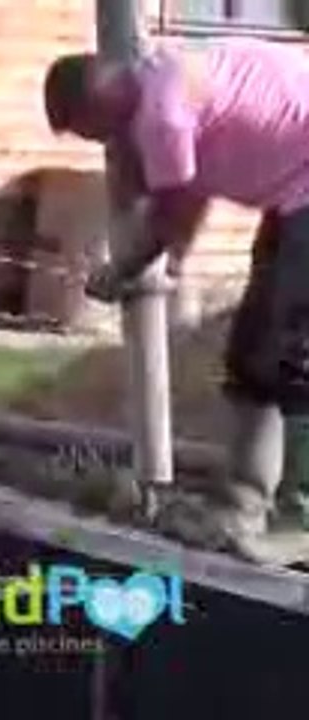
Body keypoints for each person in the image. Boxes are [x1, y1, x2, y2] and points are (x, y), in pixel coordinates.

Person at [42, 37, 309, 561]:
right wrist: (172, 263)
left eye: (82, 130)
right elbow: (190, 193)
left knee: (275, 354)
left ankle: (278, 513)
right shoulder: (161, 69)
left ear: (94, 107)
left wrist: (121, 272)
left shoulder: (161, 117)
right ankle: (251, 503)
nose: (95, 142)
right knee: (262, 351)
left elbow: (170, 216)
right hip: (294, 191)